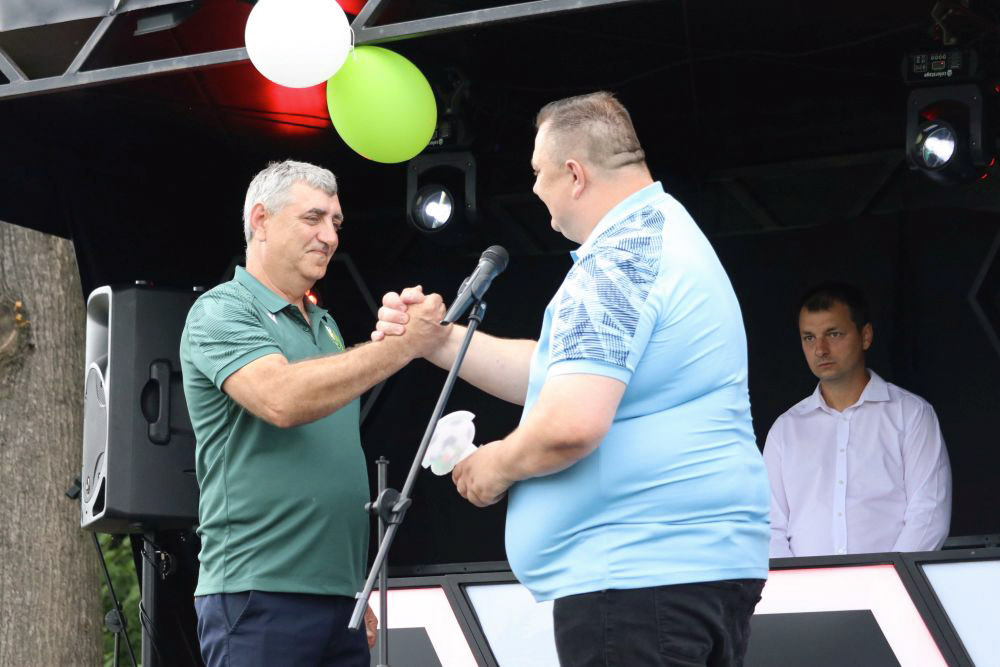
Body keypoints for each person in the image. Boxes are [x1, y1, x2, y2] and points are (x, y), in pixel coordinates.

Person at [375, 92, 770, 666]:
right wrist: (438, 341)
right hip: (689, 568)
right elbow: (561, 376)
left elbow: (571, 423)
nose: (535, 190)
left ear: (575, 174)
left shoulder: (617, 260)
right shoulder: (663, 233)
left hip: (637, 578)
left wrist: (494, 465)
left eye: (539, 173)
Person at [179, 160, 448, 666]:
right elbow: (281, 398)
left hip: (339, 598)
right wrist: (402, 345)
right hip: (257, 593)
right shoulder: (221, 309)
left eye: (336, 222)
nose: (329, 236)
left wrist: (351, 585)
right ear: (261, 220)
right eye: (313, 218)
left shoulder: (324, 323)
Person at [763, 283, 952, 558]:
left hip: (892, 583)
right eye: (809, 337)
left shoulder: (911, 414)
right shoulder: (785, 430)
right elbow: (768, 525)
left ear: (865, 336)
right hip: (805, 585)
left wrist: (886, 579)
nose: (820, 349)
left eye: (834, 334)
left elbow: (929, 513)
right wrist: (798, 582)